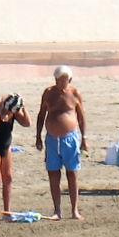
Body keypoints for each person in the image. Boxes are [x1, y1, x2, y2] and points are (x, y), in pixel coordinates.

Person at [36, 66, 88, 221]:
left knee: (72, 173)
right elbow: (41, 115)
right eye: (59, 80)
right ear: (55, 79)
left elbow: (81, 117)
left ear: (69, 80)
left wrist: (84, 138)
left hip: (70, 138)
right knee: (53, 173)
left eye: (65, 80)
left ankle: (74, 210)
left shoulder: (75, 93)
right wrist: (38, 136)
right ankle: (57, 210)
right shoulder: (48, 93)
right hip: (52, 139)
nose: (62, 83)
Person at [0, 92, 31, 222]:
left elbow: (27, 123)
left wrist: (22, 108)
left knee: (8, 178)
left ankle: (7, 212)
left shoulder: (13, 112)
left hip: (5, 145)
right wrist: (1, 109)